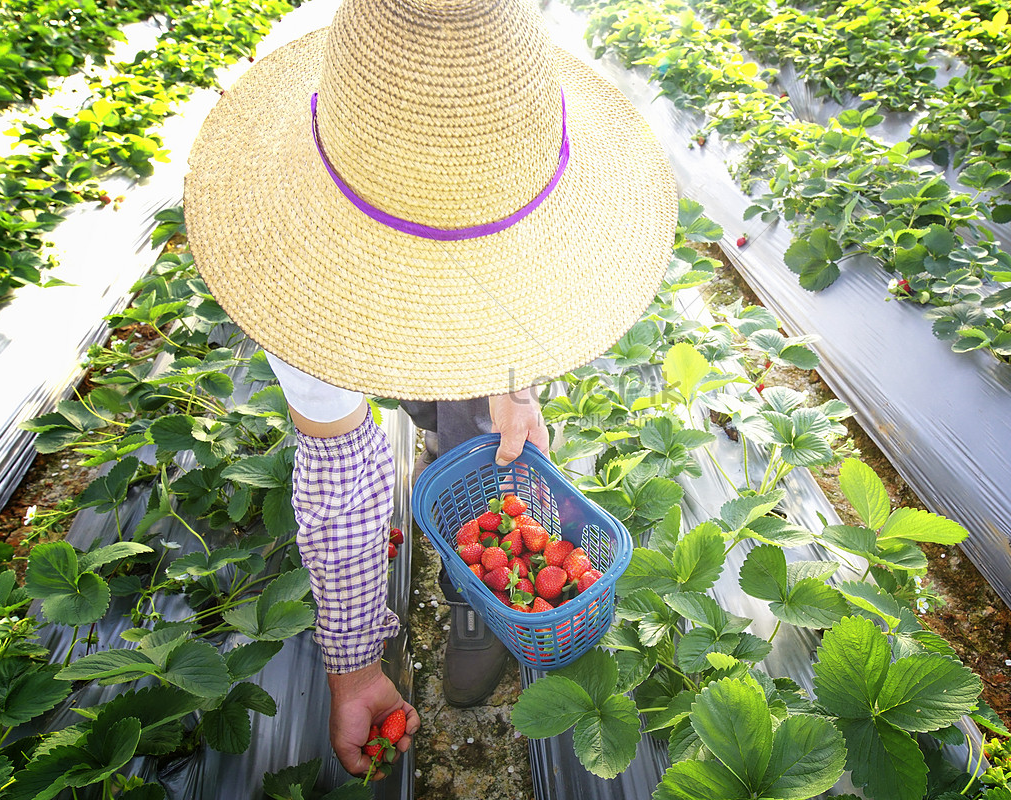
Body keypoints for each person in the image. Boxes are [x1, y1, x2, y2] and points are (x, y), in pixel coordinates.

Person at [183, 0, 677, 779]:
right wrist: (352, 662)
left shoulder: (507, 121)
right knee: (424, 398)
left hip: (480, 308)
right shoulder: (300, 262)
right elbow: (342, 464)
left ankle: (468, 593)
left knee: (479, 427)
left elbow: (531, 291)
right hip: (337, 264)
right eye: (427, 294)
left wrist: (518, 388)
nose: (455, 302)